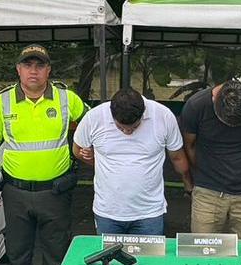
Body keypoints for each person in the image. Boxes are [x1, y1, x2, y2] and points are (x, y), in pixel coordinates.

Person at [0, 44, 86, 265]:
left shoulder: (67, 99)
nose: (34, 71)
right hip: (15, 194)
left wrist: (86, 149)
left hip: (56, 193)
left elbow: (93, 125)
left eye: (40, 65)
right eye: (28, 65)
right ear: (19, 69)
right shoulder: (2, 103)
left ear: (49, 69)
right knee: (19, 254)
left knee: (56, 253)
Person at [72, 88, 192, 236]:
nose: (127, 132)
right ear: (111, 114)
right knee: (110, 259)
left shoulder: (163, 116)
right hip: (107, 212)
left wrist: (189, 185)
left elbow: (177, 157)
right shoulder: (94, 117)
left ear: (144, 113)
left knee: (150, 259)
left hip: (150, 212)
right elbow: (77, 150)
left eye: (134, 127)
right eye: (120, 128)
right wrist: (94, 161)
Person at [179, 78, 241, 240]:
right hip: (207, 191)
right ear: (214, 103)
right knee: (202, 248)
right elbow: (189, 146)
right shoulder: (196, 106)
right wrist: (204, 172)